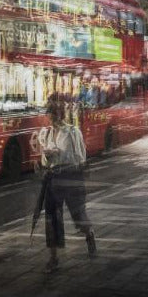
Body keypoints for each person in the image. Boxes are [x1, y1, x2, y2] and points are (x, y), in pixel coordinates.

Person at [36, 94, 96, 273]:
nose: (52, 116)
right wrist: (43, 161)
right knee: (52, 218)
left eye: (55, 113)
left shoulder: (72, 132)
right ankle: (53, 258)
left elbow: (81, 157)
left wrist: (66, 161)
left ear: (61, 114)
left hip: (70, 176)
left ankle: (89, 234)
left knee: (78, 215)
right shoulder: (45, 133)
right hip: (52, 178)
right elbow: (45, 160)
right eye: (50, 113)